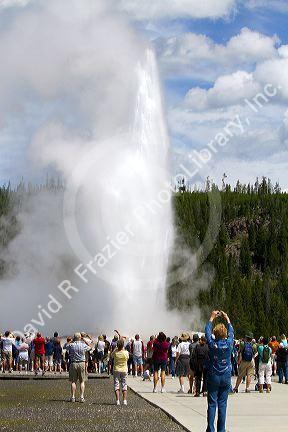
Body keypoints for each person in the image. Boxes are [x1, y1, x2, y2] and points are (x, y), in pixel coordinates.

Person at [205, 310, 234, 432]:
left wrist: (211, 318)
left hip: (214, 375)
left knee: (212, 404)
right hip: (226, 375)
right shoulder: (229, 343)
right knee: (223, 404)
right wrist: (227, 319)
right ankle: (221, 430)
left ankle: (210, 429)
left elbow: (207, 332)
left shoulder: (212, 344)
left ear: (215, 334)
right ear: (225, 334)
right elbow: (232, 331)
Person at [64, 333, 93, 403]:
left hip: (73, 363)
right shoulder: (83, 345)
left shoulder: (71, 345)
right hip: (82, 363)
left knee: (73, 381)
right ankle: (82, 397)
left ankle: (73, 397)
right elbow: (91, 347)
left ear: (74, 338)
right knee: (82, 381)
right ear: (80, 338)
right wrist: (84, 340)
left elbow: (65, 346)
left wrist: (71, 341)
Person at [111, 338, 129, 406]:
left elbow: (111, 356)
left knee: (116, 384)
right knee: (124, 384)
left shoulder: (115, 352)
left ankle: (117, 400)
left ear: (117, 345)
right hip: (124, 370)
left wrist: (115, 349)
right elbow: (127, 358)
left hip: (116, 369)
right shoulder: (126, 353)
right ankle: (124, 400)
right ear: (123, 345)